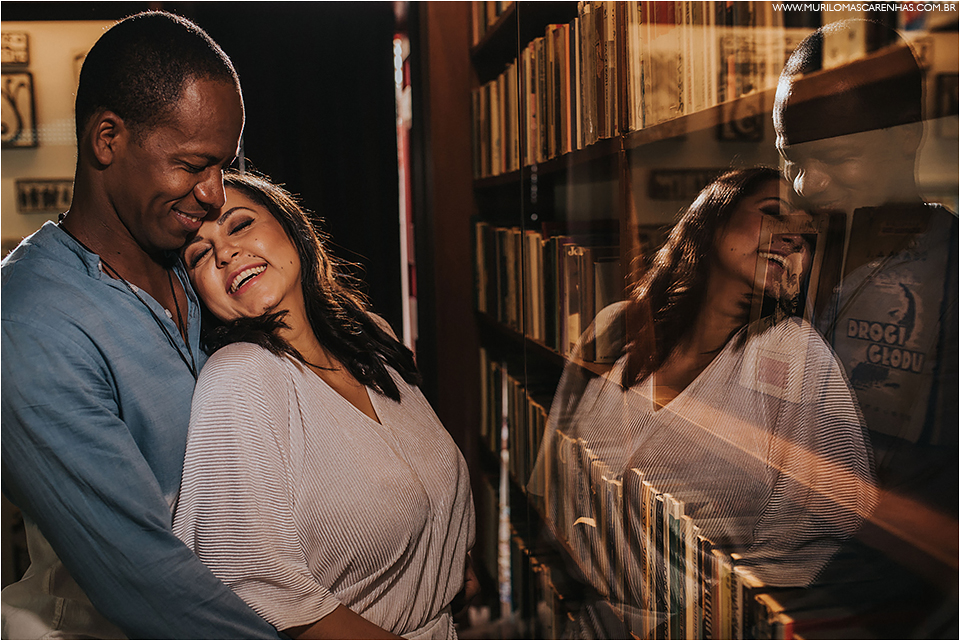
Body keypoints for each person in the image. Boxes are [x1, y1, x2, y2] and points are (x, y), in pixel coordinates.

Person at [1, 12, 282, 639]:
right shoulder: (29, 324)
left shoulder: (194, 261)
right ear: (107, 139)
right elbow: (146, 585)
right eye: (192, 164)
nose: (214, 194)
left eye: (223, 166)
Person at [529, 168, 877, 635]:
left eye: (807, 237)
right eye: (772, 214)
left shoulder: (793, 354)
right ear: (711, 221)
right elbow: (551, 479)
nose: (793, 239)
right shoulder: (617, 329)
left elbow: (823, 538)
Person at [171, 170, 477, 640]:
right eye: (199, 254)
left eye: (239, 225)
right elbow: (250, 582)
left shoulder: (371, 338)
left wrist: (443, 570)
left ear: (289, 226)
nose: (226, 253)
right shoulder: (240, 377)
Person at [774, 21, 957, 511]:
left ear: (908, 136)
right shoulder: (785, 257)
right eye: (791, 160)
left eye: (837, 155)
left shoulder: (952, 268)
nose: (806, 185)